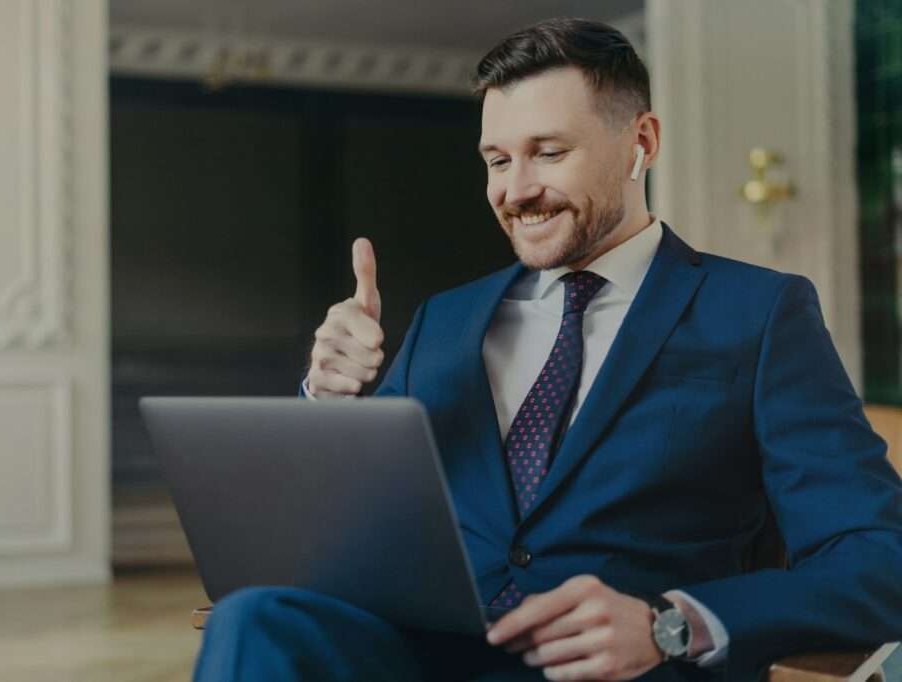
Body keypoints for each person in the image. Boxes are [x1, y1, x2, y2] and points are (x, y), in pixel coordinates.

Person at [194, 17, 902, 682]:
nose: (516, 190)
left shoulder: (759, 311)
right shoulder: (445, 319)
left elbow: (878, 560)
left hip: (614, 669)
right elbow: (346, 536)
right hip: (426, 653)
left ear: (642, 143)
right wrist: (326, 399)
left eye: (549, 153)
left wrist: (670, 624)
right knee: (253, 617)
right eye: (497, 159)